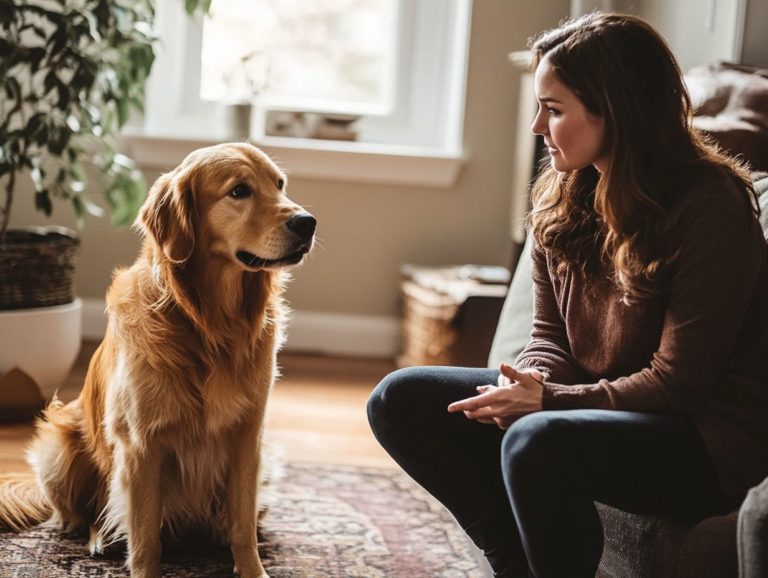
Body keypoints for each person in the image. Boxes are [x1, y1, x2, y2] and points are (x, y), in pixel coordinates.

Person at [367, 12, 768, 578]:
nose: (536, 126)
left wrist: (547, 402)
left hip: (703, 441)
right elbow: (549, 338)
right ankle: (515, 566)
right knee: (399, 399)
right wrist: (524, 381)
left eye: (553, 110)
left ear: (617, 110)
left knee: (537, 439)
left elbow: (679, 385)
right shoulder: (562, 198)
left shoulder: (711, 206)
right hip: (604, 405)